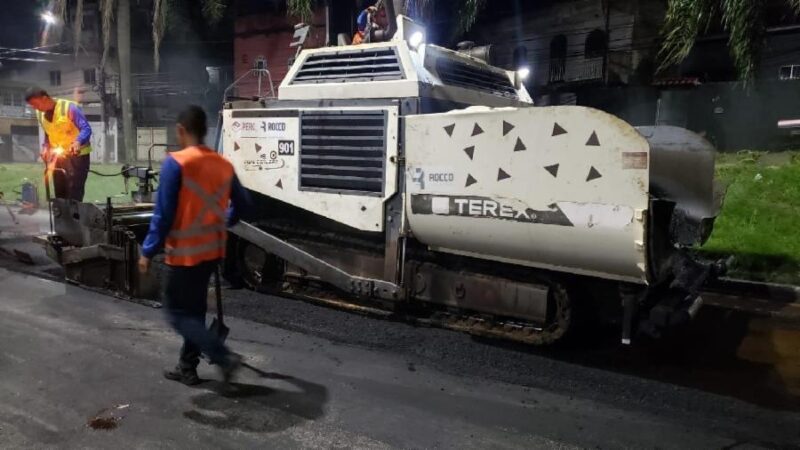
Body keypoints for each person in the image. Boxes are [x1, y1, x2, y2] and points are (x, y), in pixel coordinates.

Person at [138, 105, 250, 386]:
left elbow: (162, 216)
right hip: (212, 253)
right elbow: (245, 205)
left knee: (176, 313)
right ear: (206, 130)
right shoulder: (223, 163)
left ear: (180, 130)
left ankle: (223, 357)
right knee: (195, 312)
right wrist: (224, 219)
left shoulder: (177, 163)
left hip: (185, 256)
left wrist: (147, 251)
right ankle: (187, 367)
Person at [25, 87, 92, 201]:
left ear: (45, 98)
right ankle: (61, 217)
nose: (34, 108)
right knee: (60, 193)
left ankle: (74, 217)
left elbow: (86, 128)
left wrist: (77, 141)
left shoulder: (69, 108)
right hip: (58, 158)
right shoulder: (40, 114)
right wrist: (46, 147)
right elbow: (48, 133)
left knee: (74, 193)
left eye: (35, 104)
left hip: (77, 157)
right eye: (32, 106)